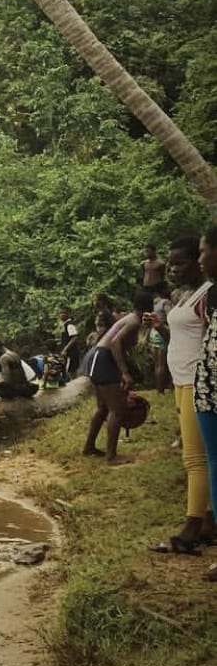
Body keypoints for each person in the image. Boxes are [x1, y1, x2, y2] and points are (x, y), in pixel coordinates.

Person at [151, 235, 212, 554]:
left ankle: (191, 528)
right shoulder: (184, 295)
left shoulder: (206, 295)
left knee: (195, 458)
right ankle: (208, 519)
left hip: (196, 382)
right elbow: (182, 337)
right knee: (199, 455)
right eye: (170, 263)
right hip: (181, 380)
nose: (173, 269)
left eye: (181, 262)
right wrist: (161, 330)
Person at [82, 288, 153, 462]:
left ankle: (89, 447)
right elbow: (115, 343)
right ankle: (111, 456)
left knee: (103, 408)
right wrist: (125, 372)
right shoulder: (135, 321)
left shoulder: (129, 318)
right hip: (103, 357)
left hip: (97, 355)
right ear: (149, 307)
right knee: (117, 409)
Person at [192, 227, 217, 581]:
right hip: (208, 388)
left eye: (203, 251)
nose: (201, 259)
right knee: (215, 464)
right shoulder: (211, 294)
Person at [58, 307, 82, 379]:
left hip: (72, 354)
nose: (61, 315)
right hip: (69, 354)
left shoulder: (69, 325)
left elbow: (74, 337)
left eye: (63, 313)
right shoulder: (65, 325)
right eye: (60, 313)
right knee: (71, 373)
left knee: (72, 373)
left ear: (68, 314)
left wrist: (65, 349)